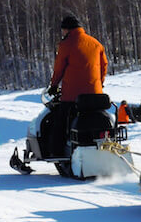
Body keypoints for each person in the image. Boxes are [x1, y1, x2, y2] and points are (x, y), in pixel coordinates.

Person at [46, 14, 108, 157]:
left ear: (68, 30)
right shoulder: (96, 43)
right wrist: (100, 83)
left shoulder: (66, 44)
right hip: (96, 95)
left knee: (60, 121)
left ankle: (56, 153)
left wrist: (54, 85)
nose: (62, 34)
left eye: (63, 31)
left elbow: (59, 68)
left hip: (73, 96)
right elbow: (104, 65)